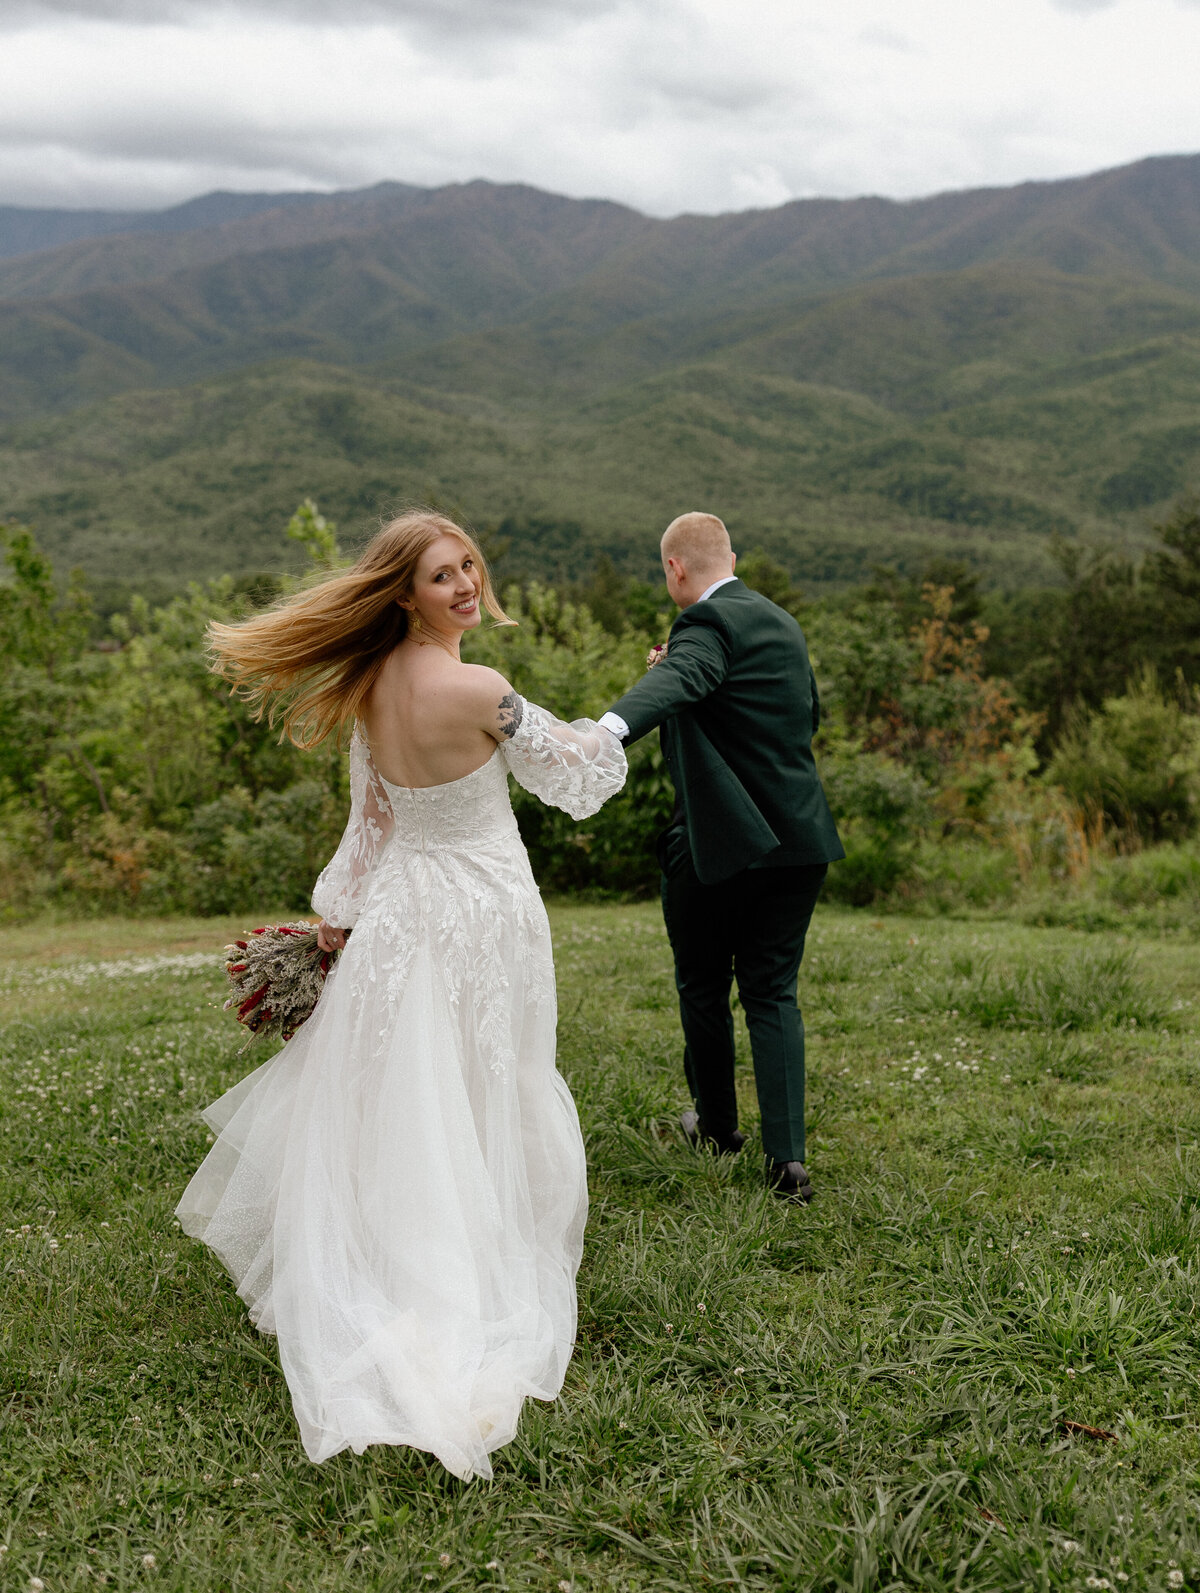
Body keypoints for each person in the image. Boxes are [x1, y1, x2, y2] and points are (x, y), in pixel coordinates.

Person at [176, 509, 626, 1481]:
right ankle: (465, 1273)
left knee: (410, 1093)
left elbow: (368, 826)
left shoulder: (370, 686)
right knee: (486, 1080)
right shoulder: (480, 688)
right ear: (404, 594)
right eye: (440, 575)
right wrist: (636, 708)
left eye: (468, 565)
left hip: (401, 916)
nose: (465, 583)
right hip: (484, 912)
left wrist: (336, 919)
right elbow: (580, 778)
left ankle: (389, 1261)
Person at [599, 512, 842, 1202]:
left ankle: (716, 1125)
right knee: (772, 990)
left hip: (722, 844)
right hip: (800, 839)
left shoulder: (704, 628)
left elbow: (681, 679)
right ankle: (787, 1163)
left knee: (703, 983)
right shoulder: (782, 624)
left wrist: (605, 731)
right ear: (729, 557)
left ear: (676, 568)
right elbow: (807, 715)